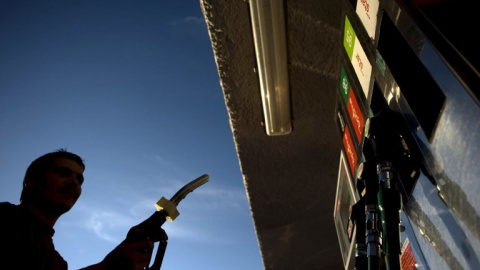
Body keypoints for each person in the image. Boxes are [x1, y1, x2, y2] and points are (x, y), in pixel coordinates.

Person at [0, 149, 154, 270]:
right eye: (63, 172)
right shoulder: (6, 217)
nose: (74, 182)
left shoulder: (57, 262)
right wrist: (107, 266)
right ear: (31, 180)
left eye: (79, 179)